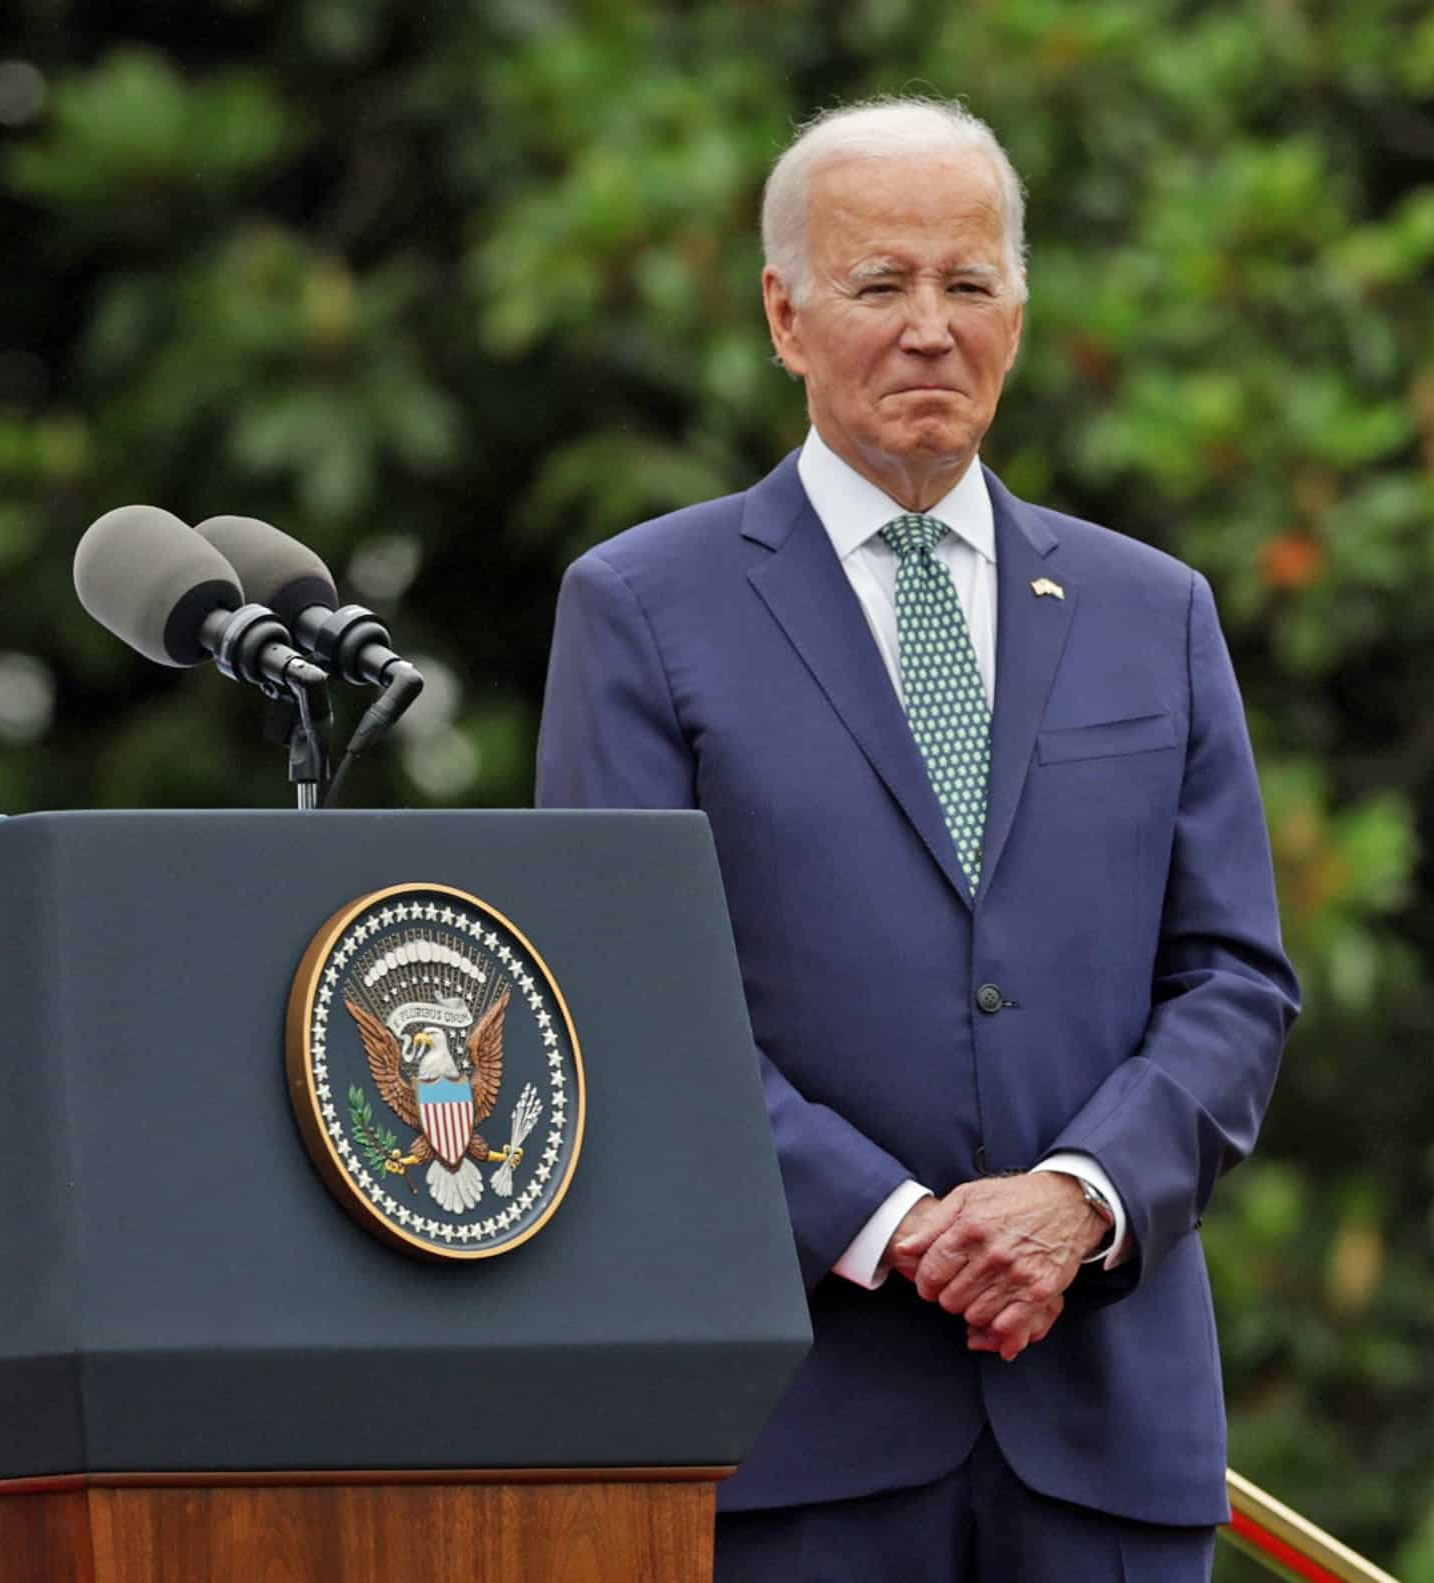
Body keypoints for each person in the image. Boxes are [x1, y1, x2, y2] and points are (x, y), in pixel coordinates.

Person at [538, 98, 1298, 1580]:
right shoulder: (642, 609)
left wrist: (1078, 1201)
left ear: (1021, 310)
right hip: (796, 1437)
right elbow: (618, 999)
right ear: (786, 313)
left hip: (1106, 1440)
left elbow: (1235, 981)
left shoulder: (1161, 613)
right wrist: (894, 1224)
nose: (930, 329)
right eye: (881, 285)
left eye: (969, 284)